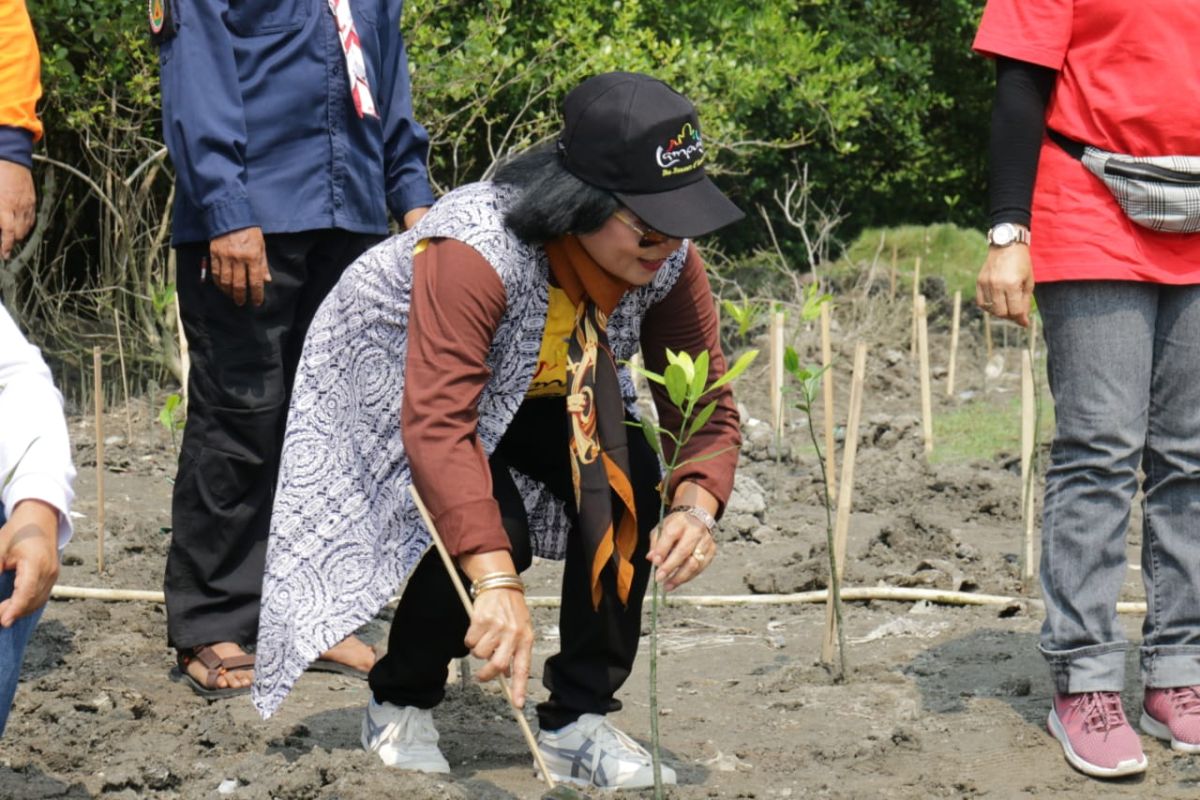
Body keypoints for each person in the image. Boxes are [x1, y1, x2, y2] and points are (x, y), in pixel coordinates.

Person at [251, 72, 745, 790]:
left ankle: (577, 718)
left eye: (681, 222)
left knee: (629, 482)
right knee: (491, 534)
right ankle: (401, 697)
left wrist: (697, 503)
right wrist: (495, 578)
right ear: (583, 205)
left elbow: (703, 405)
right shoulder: (474, 247)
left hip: (548, 382)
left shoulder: (669, 261)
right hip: (405, 383)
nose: (668, 244)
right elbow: (440, 427)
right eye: (649, 225)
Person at [156, 0, 434, 697]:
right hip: (253, 220)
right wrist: (226, 209)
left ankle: (312, 614)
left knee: (333, 430)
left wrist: (414, 200)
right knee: (239, 420)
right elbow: (197, 79)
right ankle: (214, 619)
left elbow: (387, 81)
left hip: (354, 216)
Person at [974, 0, 1200, 780]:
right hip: (1091, 202)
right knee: (1102, 447)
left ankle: (1179, 671)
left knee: (1191, 456)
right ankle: (1086, 679)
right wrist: (1008, 232)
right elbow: (1020, 87)